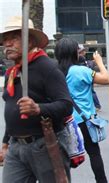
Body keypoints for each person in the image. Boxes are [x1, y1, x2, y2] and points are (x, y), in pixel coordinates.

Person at [1, 16, 73, 182]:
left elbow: (66, 105)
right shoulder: (11, 73)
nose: (7, 44)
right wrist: (5, 143)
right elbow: (13, 109)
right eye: (5, 40)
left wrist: (38, 108)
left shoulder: (47, 68)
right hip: (16, 147)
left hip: (45, 143)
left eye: (14, 38)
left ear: (30, 41)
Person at [55, 38, 109, 182]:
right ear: (74, 53)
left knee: (64, 157)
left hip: (63, 121)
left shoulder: (54, 72)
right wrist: (98, 61)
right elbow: (107, 79)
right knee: (94, 153)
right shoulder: (81, 71)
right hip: (83, 120)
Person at [78, 44, 102, 111]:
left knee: (91, 91)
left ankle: (97, 105)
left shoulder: (85, 61)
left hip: (88, 76)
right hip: (86, 75)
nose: (83, 53)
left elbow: (105, 79)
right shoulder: (84, 60)